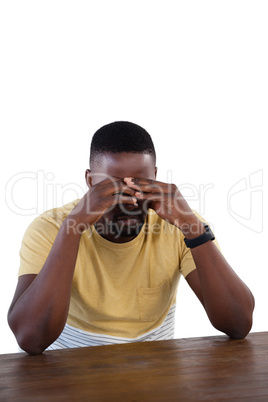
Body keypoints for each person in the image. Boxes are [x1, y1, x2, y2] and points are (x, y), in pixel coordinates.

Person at [8, 121, 255, 355]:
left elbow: (238, 324)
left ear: (156, 178)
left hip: (152, 370)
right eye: (113, 188)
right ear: (90, 181)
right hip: (64, 366)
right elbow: (30, 338)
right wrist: (73, 228)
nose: (130, 202)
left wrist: (192, 226)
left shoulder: (181, 225)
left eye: (141, 185)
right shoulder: (50, 227)